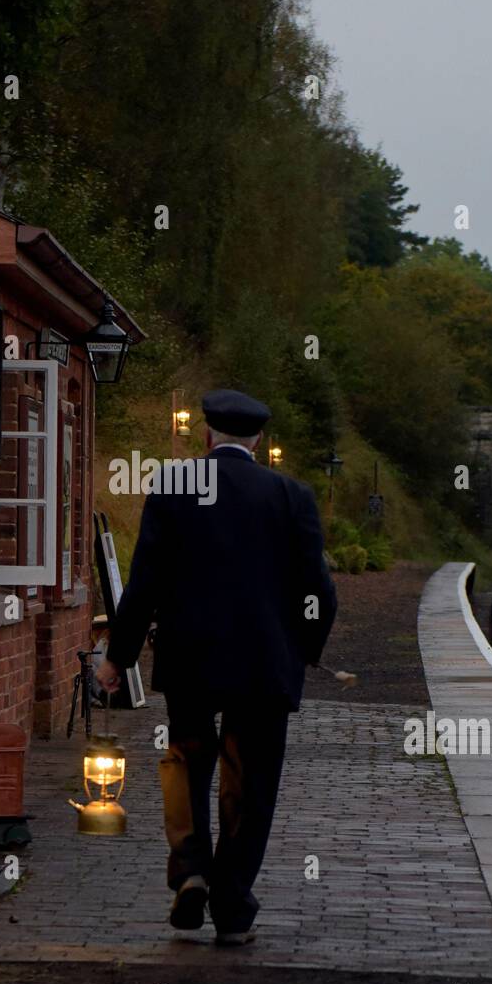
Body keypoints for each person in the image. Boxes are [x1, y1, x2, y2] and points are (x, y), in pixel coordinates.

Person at [96, 389, 337, 945]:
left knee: (186, 761)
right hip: (264, 664)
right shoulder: (292, 496)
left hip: (191, 657)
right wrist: (303, 650)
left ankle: (190, 871)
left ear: (206, 437)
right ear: (259, 442)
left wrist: (118, 657)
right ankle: (232, 907)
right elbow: (319, 591)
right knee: (249, 783)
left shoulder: (175, 488)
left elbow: (144, 584)